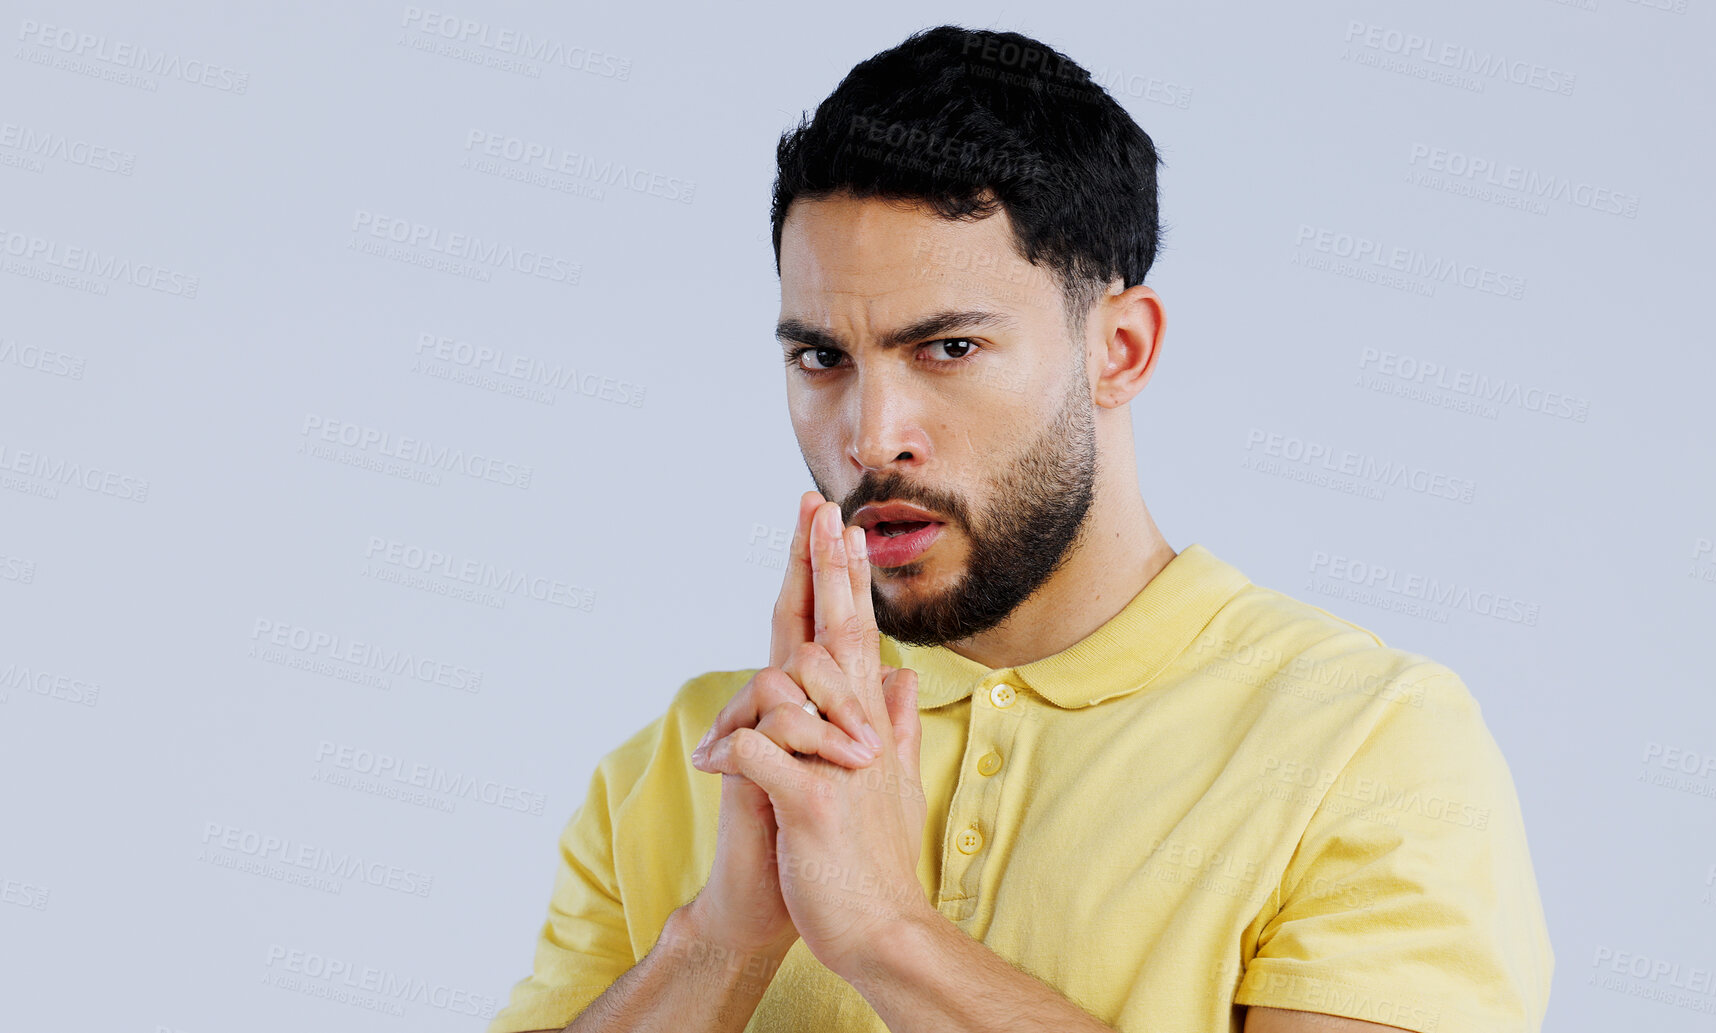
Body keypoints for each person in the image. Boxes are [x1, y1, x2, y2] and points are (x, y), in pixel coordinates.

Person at [487, 24, 1553, 1033]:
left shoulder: (1364, 742)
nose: (871, 436)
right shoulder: (697, 758)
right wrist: (718, 944)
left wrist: (886, 934)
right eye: (822, 358)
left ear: (1119, 350)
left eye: (946, 348)